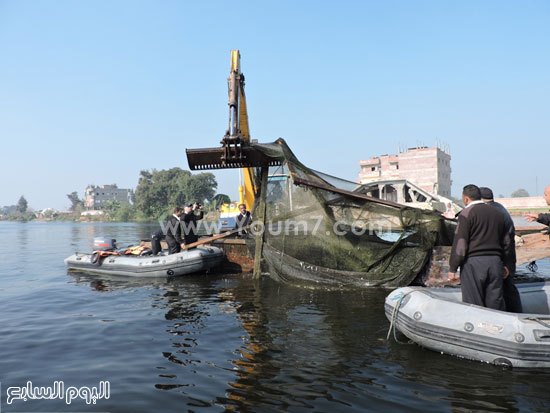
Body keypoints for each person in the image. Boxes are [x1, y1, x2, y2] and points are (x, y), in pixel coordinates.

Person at [449, 184, 514, 310]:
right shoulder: (498, 213)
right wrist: (506, 264)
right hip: (495, 263)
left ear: (466, 199)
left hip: (473, 264)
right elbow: (507, 242)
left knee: (474, 304)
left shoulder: (466, 214)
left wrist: (453, 267)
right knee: (495, 301)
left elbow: (460, 244)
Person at [480, 186, 523, 312]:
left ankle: (513, 313)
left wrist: (504, 263)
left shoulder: (492, 213)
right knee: (508, 288)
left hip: (504, 258)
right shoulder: (499, 207)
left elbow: (505, 241)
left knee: (505, 289)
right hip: (508, 256)